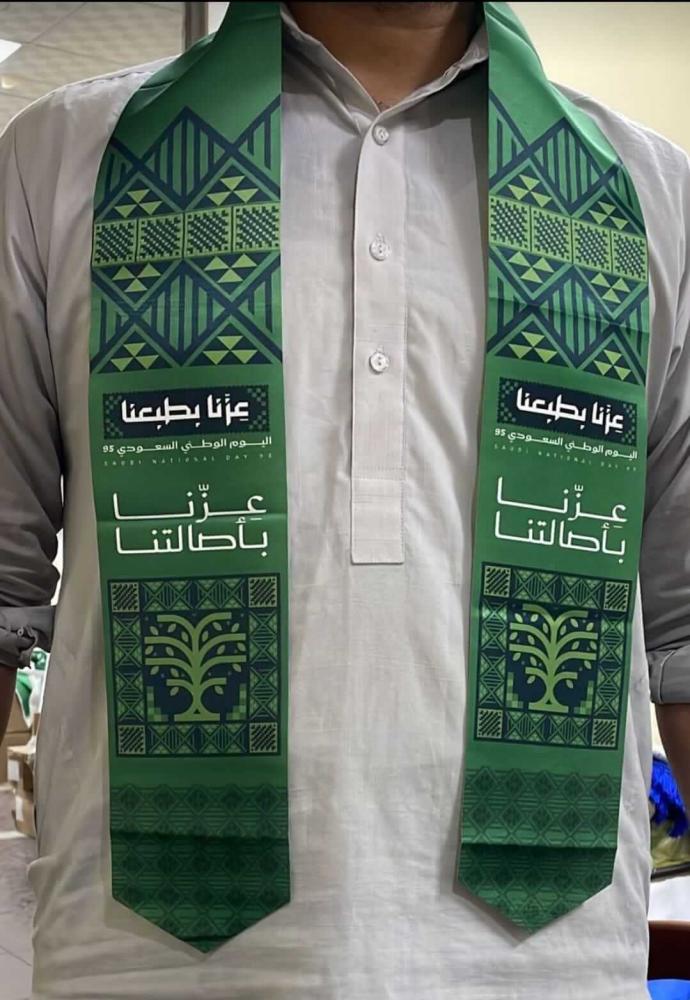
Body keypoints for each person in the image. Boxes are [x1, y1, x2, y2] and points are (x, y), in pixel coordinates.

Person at [0, 2, 689, 997]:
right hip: (148, 957)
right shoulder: (62, 161)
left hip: (548, 962)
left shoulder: (649, 196)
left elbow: (683, 628)